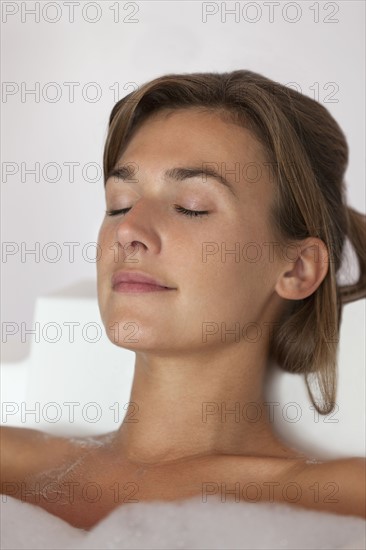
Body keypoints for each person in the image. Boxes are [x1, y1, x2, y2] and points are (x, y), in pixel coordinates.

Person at [1, 70, 365, 530]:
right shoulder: (10, 470)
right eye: (118, 203)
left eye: (192, 206)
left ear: (297, 269)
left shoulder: (339, 504)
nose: (128, 231)